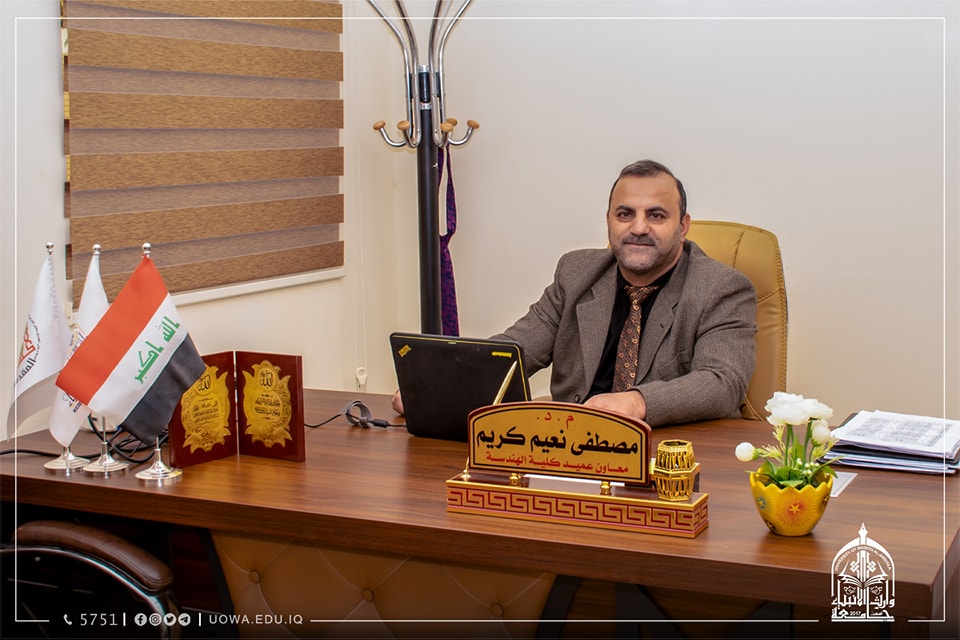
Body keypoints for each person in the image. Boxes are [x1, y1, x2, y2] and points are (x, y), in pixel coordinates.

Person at [394, 159, 757, 426]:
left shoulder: (721, 288)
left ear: (683, 226)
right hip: (571, 449)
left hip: (669, 458)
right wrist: (440, 387)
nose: (638, 227)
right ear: (609, 221)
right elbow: (512, 353)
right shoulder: (577, 273)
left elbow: (722, 383)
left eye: (656, 215)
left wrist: (634, 402)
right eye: (625, 214)